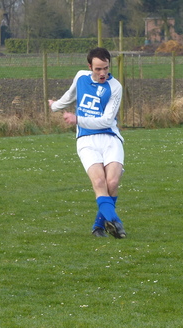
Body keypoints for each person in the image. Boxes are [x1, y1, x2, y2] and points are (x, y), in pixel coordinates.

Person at [48, 47, 126, 238]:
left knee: (112, 182)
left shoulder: (115, 87)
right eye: (98, 69)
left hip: (110, 138)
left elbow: (107, 120)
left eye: (106, 68)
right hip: (86, 139)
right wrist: (55, 106)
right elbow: (70, 95)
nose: (102, 73)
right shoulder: (81, 77)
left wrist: (77, 119)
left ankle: (99, 227)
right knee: (99, 181)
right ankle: (116, 223)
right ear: (89, 66)